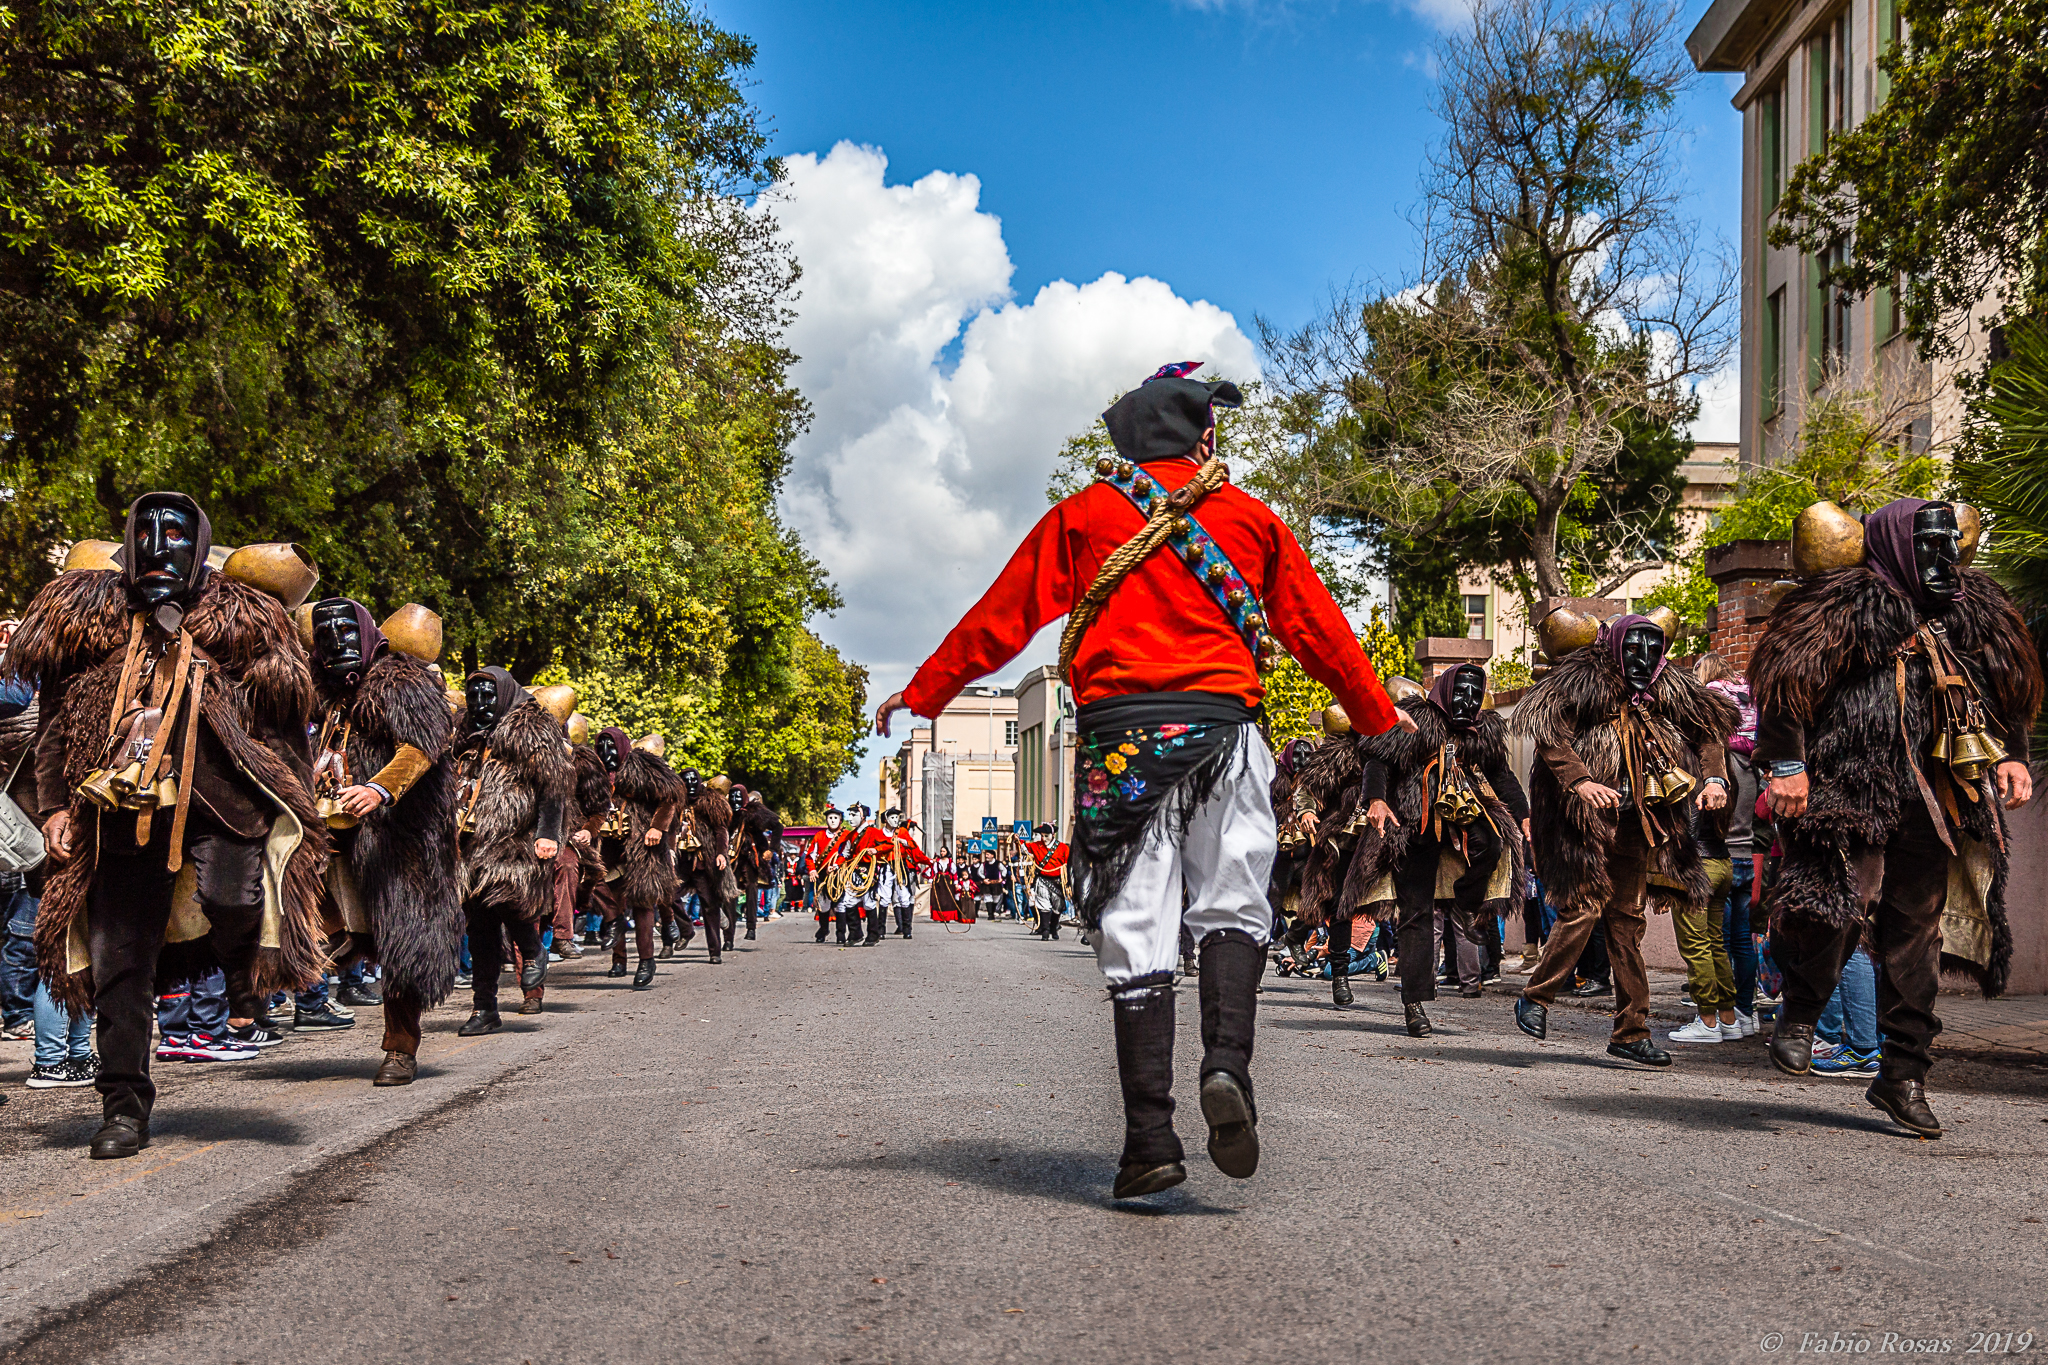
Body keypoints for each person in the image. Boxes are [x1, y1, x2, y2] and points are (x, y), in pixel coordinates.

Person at [875, 362, 1406, 1200]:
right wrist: (1378, 717)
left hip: (1122, 744)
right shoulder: (1250, 519)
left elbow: (1003, 616)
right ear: (1204, 438)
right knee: (1235, 904)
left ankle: (1149, 1138)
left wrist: (925, 692)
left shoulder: (1084, 515)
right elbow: (1318, 628)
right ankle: (1227, 1066)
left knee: (1137, 927)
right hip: (1225, 737)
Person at [14, 496, 329, 1158]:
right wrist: (50, 809)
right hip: (120, 815)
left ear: (200, 546)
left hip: (223, 807)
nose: (160, 545)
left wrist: (300, 810)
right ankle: (122, 1106)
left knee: (234, 900)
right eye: (147, 532)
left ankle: (243, 973)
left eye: (178, 533)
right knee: (116, 967)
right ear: (128, 542)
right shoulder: (88, 622)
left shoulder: (245, 624)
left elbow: (283, 721)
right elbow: (53, 726)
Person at [1750, 498, 2041, 1137]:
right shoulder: (1842, 606)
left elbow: (2009, 687)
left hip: (1936, 795)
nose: (1945, 560)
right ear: (1896, 547)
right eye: (1929, 548)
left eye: (1949, 546)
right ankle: (1799, 1014)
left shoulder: (1976, 610)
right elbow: (1784, 687)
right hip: (1852, 785)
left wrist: (2014, 757)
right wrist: (1786, 766)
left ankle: (1903, 1074)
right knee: (1843, 898)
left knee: (1918, 930)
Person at [1510, 611, 1737, 1068]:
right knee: (1583, 909)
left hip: (1641, 822)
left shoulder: (1670, 686)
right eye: (1633, 648)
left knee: (1628, 923)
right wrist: (1580, 782)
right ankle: (1535, 997)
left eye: (1654, 650)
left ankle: (1632, 1032)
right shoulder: (1582, 678)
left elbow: (1710, 731)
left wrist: (1715, 779)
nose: (1644, 658)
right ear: (1614, 646)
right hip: (1585, 820)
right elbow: (1550, 735)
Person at [1322, 665, 1528, 1037]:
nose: (1467, 699)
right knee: (1415, 912)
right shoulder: (1419, 717)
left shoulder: (1485, 729)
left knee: (1494, 842)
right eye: (1461, 690)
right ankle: (1414, 1004)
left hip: (1465, 813)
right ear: (1446, 690)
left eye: (1474, 692)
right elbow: (1377, 759)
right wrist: (1377, 800)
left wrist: (1525, 815)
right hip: (1414, 825)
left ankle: (1467, 905)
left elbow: (1501, 775)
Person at [305, 598, 458, 1086]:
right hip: (330, 835)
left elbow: (421, 747)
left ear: (370, 635)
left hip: (399, 843)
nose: (337, 644)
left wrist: (379, 788)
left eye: (347, 632)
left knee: (402, 943)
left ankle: (400, 1049)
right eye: (325, 635)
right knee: (324, 926)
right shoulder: (319, 693)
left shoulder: (403, 683)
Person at [450, 667, 569, 1036]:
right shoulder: (463, 732)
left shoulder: (531, 729)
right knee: (480, 928)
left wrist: (548, 833)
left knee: (508, 897)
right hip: (469, 838)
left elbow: (554, 787)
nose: (481, 703)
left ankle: (534, 950)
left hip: (515, 835)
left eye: (488, 695)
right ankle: (484, 1007)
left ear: (503, 694)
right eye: (475, 696)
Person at [672, 763, 733, 963]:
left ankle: (715, 951)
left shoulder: (710, 802)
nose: (690, 784)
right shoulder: (674, 803)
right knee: (668, 895)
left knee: (710, 906)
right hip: (680, 862)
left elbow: (721, 830)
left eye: (693, 780)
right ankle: (686, 929)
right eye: (685, 780)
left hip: (702, 863)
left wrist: (721, 854)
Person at [735, 789, 783, 940]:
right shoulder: (731, 809)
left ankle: (751, 926)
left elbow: (778, 827)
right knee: (726, 888)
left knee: (751, 888)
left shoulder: (758, 812)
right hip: (732, 851)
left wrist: (772, 849)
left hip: (751, 852)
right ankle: (727, 927)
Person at [1022, 823, 1070, 940]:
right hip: (1042, 879)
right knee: (1043, 906)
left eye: (1046, 836)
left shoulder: (1063, 848)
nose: (1044, 839)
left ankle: (1054, 927)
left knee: (1057, 907)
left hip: (1058, 881)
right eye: (1042, 836)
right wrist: (1017, 839)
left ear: (1053, 835)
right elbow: (1023, 847)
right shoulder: (1036, 846)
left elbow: (1069, 865)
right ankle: (1045, 930)